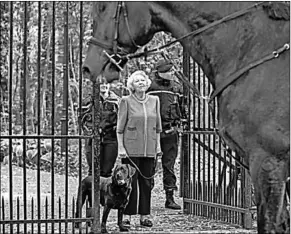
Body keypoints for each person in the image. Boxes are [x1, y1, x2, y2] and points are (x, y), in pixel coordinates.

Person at [116, 70, 162, 227]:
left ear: (147, 83)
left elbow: (157, 128)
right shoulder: (126, 101)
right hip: (130, 148)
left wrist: (158, 148)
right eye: (137, 81)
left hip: (149, 148)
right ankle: (127, 215)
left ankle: (145, 215)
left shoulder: (154, 100)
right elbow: (119, 128)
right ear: (132, 86)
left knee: (147, 183)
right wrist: (121, 147)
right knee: (130, 183)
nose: (141, 82)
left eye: (143, 80)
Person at [147, 59, 184, 210]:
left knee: (169, 164)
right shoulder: (149, 87)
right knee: (149, 163)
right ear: (160, 73)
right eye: (169, 71)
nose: (172, 73)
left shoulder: (176, 88)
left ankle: (170, 197)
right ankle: (145, 197)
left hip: (170, 131)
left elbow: (183, 107)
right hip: (152, 131)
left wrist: (182, 122)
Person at [80, 82, 120, 177]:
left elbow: (122, 120)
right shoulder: (87, 100)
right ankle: (91, 191)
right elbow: (81, 120)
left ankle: (105, 191)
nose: (104, 85)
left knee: (107, 171)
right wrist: (90, 132)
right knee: (93, 170)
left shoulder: (117, 100)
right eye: (101, 82)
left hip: (111, 138)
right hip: (92, 138)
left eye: (106, 82)